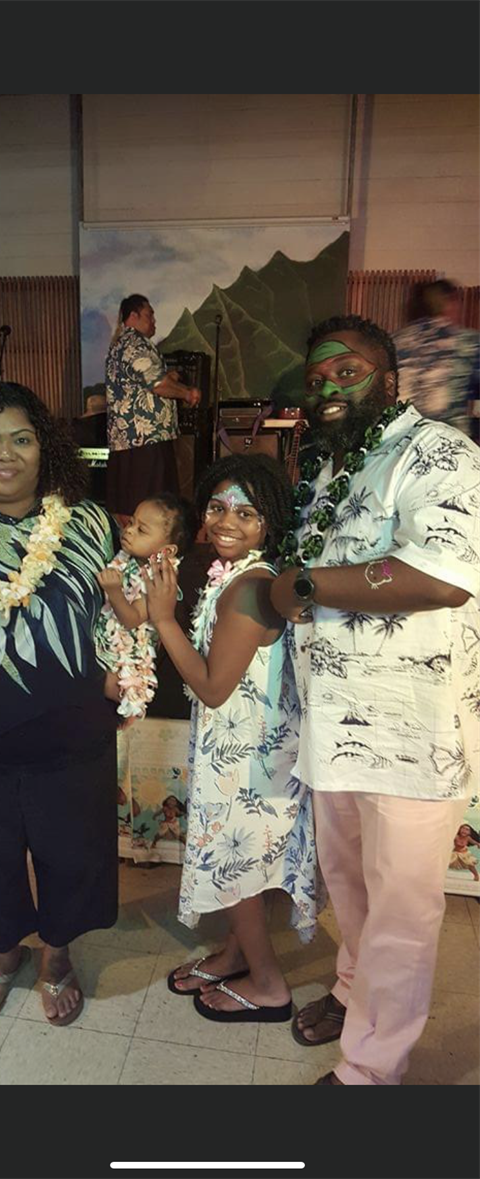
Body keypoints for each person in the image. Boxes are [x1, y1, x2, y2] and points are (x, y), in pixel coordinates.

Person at [270, 314, 480, 1085]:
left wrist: (297, 585)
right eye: (316, 377)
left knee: (400, 913)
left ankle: (370, 1069)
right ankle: (353, 989)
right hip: (334, 723)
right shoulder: (329, 469)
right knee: (351, 885)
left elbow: (439, 576)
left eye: (346, 371)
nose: (327, 387)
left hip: (411, 732)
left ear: (388, 377)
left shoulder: (441, 453)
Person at [0, 381, 120, 1027]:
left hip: (71, 732)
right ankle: (1, 951)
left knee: (71, 853)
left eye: (21, 436)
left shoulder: (88, 522)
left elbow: (119, 620)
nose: (3, 453)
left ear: (45, 448)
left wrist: (131, 661)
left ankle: (58, 953)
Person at [145, 454, 320, 1023]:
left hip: (249, 760)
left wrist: (164, 619)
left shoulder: (246, 589)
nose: (228, 521)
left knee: (239, 872)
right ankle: (234, 953)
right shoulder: (243, 575)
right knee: (239, 867)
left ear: (270, 521)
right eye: (218, 507)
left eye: (247, 512)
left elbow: (216, 688)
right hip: (244, 749)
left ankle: (269, 984)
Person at [95, 492, 198, 720]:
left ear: (167, 551)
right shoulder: (130, 560)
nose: (129, 530)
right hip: (106, 645)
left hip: (124, 661)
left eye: (141, 530)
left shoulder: (156, 578)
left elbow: (133, 618)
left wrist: (114, 592)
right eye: (131, 522)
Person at [105, 294, 202, 522]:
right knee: (148, 505)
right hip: (144, 438)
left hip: (130, 438)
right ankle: (148, 552)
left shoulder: (121, 344)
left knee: (131, 503)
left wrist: (168, 378)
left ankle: (135, 550)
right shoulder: (135, 344)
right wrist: (187, 393)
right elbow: (157, 385)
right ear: (133, 316)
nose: (154, 321)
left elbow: (144, 382)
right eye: (149, 315)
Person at [394, 279, 480, 437]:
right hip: (447, 442)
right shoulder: (468, 343)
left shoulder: (395, 340)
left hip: (400, 439)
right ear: (450, 303)